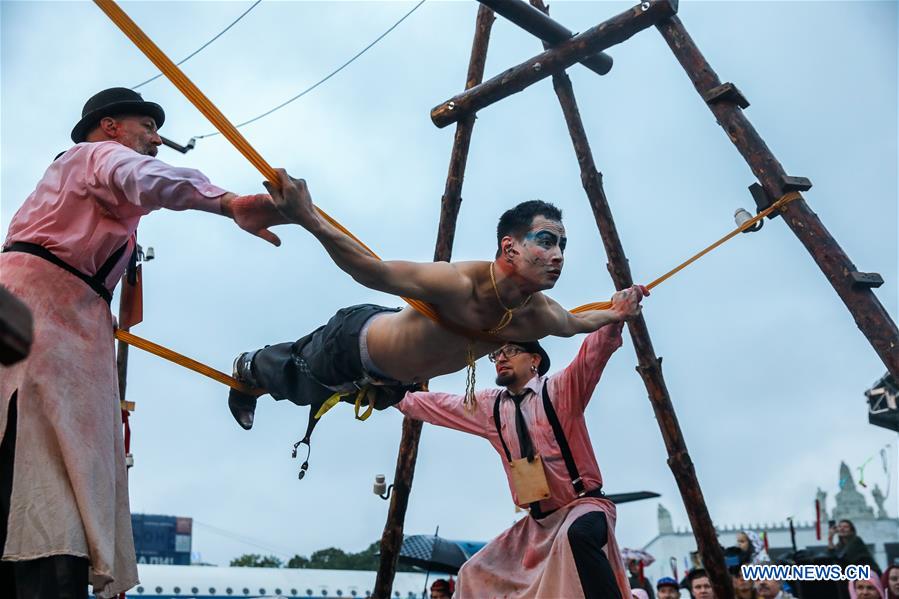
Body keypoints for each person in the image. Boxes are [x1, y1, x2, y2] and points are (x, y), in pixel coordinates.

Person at [0, 87, 284, 598]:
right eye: (146, 128)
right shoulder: (96, 157)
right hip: (44, 329)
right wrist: (225, 202)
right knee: (41, 481)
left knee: (44, 482)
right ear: (110, 127)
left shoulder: (91, 201)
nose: (155, 140)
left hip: (63, 327)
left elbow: (129, 306)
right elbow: (144, 176)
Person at [226, 175, 647, 448]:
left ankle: (260, 381)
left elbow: (579, 323)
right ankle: (247, 367)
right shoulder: (458, 282)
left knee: (308, 395)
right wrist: (308, 219)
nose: (557, 256)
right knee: (295, 380)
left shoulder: (540, 315)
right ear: (510, 247)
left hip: (390, 381)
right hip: (353, 343)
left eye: (562, 246)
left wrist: (618, 310)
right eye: (546, 241)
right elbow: (373, 271)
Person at [394, 304, 645, 598]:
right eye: (496, 353)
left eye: (510, 351)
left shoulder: (560, 391)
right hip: (537, 523)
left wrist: (616, 315)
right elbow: (437, 405)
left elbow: (592, 355)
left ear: (535, 359)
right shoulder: (490, 407)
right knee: (474, 572)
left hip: (583, 507)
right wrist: (394, 395)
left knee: (576, 536)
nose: (500, 357)